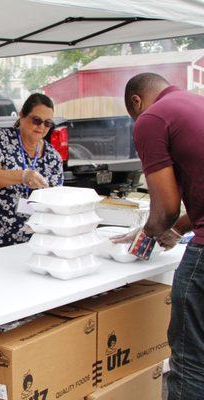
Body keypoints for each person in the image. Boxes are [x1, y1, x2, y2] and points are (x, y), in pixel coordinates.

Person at [116, 72, 204, 400]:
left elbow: (165, 207)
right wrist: (178, 229)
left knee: (192, 361)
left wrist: (147, 234)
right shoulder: (194, 103)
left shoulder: (152, 118)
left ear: (136, 101)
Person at [0, 93, 63, 253]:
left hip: (33, 241)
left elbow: (55, 201)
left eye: (47, 123)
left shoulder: (53, 156)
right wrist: (22, 176)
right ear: (22, 115)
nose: (41, 127)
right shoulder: (1, 138)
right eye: (36, 120)